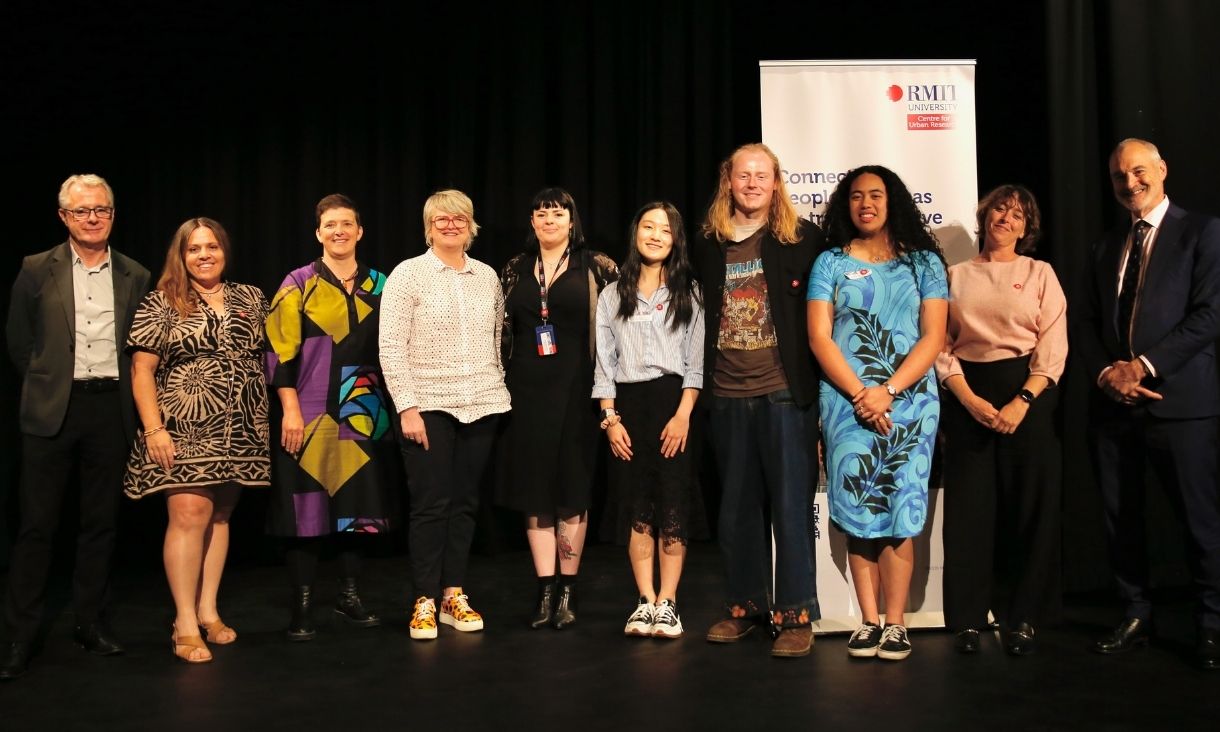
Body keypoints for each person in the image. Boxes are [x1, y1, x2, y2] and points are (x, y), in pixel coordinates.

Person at [1074, 138, 1220, 670]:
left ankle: (1211, 624)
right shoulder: (1104, 245)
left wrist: (1145, 366)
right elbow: (1086, 324)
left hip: (1181, 404)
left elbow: (1209, 315)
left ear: (1162, 170)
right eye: (1118, 176)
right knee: (1120, 520)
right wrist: (1108, 373)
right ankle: (1136, 614)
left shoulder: (1202, 232)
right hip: (1114, 406)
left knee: (1200, 522)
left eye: (1138, 171)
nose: (1129, 182)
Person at [0, 174, 151, 681]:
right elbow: (21, 343)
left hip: (109, 409)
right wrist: (47, 385)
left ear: (112, 215)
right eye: (83, 211)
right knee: (37, 527)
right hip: (51, 411)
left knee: (100, 524)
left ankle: (89, 622)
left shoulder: (134, 273)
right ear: (64, 216)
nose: (93, 218)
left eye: (102, 210)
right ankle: (19, 635)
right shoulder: (35, 268)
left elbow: (138, 347)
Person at [806, 165, 948, 662]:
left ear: (894, 202)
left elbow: (933, 337)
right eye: (856, 196)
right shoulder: (828, 263)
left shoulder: (924, 263)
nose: (866, 203)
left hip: (910, 404)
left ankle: (896, 623)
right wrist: (860, 393)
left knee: (901, 511)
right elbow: (820, 337)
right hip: (846, 405)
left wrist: (887, 389)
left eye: (876, 195)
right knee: (858, 512)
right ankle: (867, 622)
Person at [692, 143, 824, 658]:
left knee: (791, 507)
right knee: (737, 509)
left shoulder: (803, 239)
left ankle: (795, 614)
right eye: (743, 175)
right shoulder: (708, 241)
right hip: (725, 393)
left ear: (775, 183)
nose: (752, 184)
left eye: (761, 175)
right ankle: (744, 607)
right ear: (728, 180)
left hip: (784, 394)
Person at [123, 217, 271, 663]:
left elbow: (274, 354)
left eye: (211, 246)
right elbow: (142, 370)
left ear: (224, 251)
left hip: (242, 427)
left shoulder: (251, 297)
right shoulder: (162, 301)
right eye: (194, 249)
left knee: (221, 515)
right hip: (183, 426)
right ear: (180, 256)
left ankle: (208, 610)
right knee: (189, 514)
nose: (204, 255)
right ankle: (184, 622)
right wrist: (154, 428)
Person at [934, 185, 1067, 656]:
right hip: (968, 396)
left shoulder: (1040, 273)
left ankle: (1022, 616)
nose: (1005, 219)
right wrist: (966, 397)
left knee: (1029, 510)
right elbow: (941, 346)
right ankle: (969, 620)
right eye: (999, 210)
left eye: (1016, 215)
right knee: (970, 514)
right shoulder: (955, 274)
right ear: (984, 217)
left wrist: (1022, 401)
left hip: (1027, 397)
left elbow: (1052, 348)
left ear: (1027, 228)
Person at [265, 194, 402, 641]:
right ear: (318, 233)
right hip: (307, 411)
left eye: (347, 223)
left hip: (364, 411)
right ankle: (301, 604)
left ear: (360, 232)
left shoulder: (384, 284)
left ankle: (348, 596)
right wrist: (288, 408)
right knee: (304, 511)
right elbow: (279, 351)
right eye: (330, 225)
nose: (339, 231)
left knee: (355, 511)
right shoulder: (298, 282)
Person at [380, 189, 510, 641]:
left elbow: (497, 338)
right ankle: (424, 600)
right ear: (429, 226)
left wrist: (494, 384)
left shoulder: (486, 276)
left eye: (459, 218)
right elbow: (391, 346)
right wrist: (408, 407)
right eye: (441, 219)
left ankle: (454, 593)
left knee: (465, 503)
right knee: (431, 505)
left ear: (471, 225)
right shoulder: (408, 274)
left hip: (483, 402)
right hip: (428, 405)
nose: (450, 225)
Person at [497, 187, 618, 630]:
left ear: (572, 220)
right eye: (540, 213)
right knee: (535, 491)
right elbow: (501, 331)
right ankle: (545, 588)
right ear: (532, 222)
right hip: (525, 396)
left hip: (578, 393)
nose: (548, 220)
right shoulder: (514, 269)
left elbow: (615, 331)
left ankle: (568, 588)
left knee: (571, 490)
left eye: (557, 213)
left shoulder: (598, 267)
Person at [593, 202, 704, 639]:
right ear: (635, 233)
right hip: (628, 410)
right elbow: (604, 365)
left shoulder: (689, 291)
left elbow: (694, 365)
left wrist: (683, 415)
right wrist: (610, 419)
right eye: (648, 227)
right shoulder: (611, 293)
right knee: (637, 509)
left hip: (672, 406)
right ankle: (643, 600)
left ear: (675, 239)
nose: (656, 235)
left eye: (665, 229)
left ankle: (668, 602)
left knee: (672, 508)